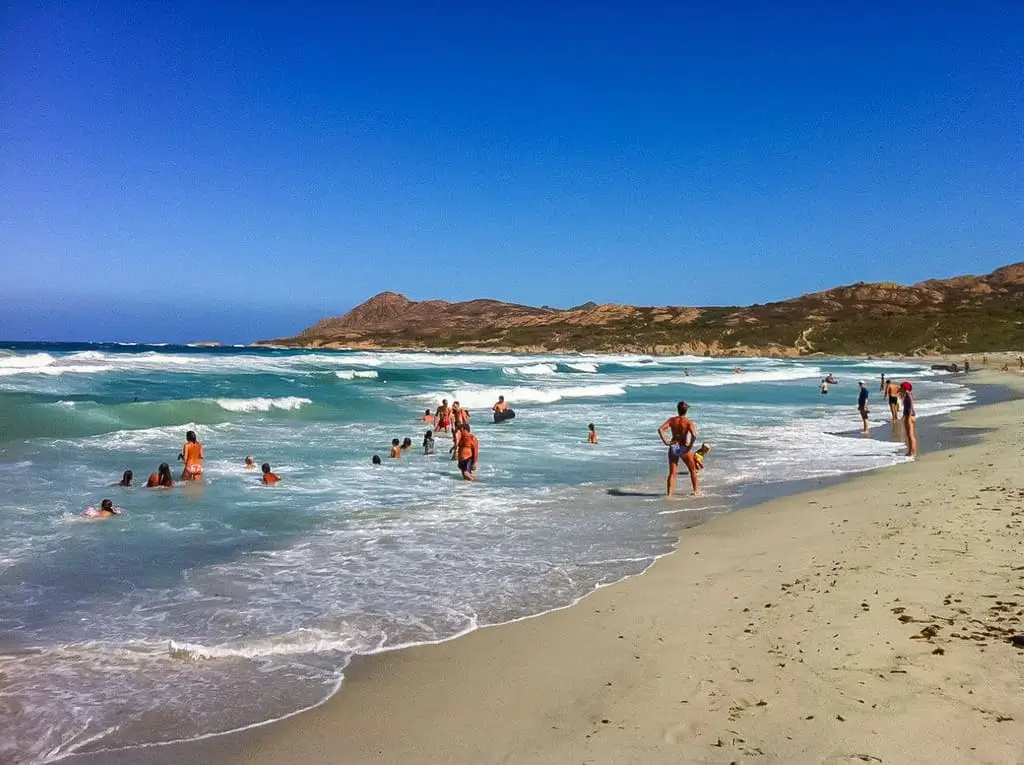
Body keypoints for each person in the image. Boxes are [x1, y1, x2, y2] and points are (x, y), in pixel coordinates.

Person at [657, 401, 698, 497]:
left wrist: (666, 442)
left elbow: (660, 429)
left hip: (673, 446)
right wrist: (690, 446)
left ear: (678, 410)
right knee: (692, 469)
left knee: (672, 473)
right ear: (686, 411)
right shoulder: (688, 422)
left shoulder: (672, 420)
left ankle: (669, 494)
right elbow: (694, 435)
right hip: (683, 447)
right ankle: (696, 492)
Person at [900, 381, 917, 457]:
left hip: (909, 416)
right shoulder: (908, 394)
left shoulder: (908, 395)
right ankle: (912, 451)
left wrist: (908, 416)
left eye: (902, 387)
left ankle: (912, 451)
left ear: (905, 388)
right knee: (910, 435)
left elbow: (910, 406)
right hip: (910, 415)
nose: (900, 389)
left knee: (910, 435)